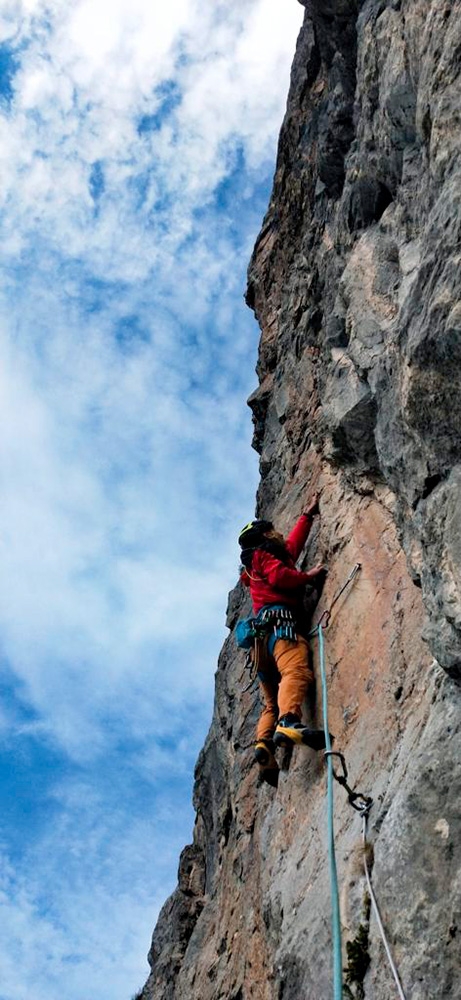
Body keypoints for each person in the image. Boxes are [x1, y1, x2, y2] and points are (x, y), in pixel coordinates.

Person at [239, 496, 327, 783]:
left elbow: (290, 548)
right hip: (281, 628)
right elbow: (281, 578)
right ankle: (289, 723)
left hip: (259, 645)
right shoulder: (264, 557)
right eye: (271, 529)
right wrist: (306, 576)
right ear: (264, 534)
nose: (276, 532)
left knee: (269, 702)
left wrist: (307, 515)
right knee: (295, 670)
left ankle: (263, 743)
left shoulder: (257, 564)